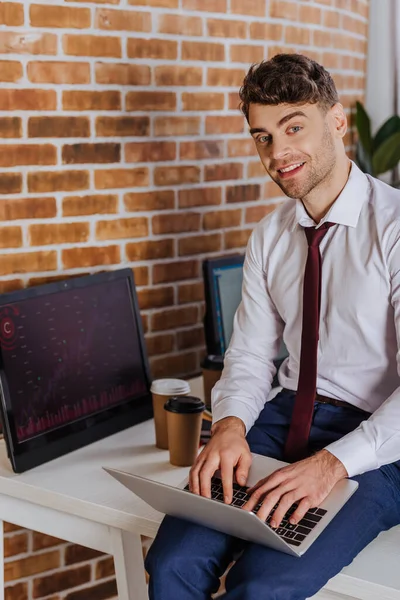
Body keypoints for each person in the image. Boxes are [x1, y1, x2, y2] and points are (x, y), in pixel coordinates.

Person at [145, 53, 400, 599]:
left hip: (380, 439)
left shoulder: (395, 229)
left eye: (293, 127)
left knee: (263, 586)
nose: (278, 153)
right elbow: (251, 355)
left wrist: (331, 465)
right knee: (171, 564)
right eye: (262, 136)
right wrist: (232, 424)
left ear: (337, 122)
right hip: (282, 417)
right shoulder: (270, 235)